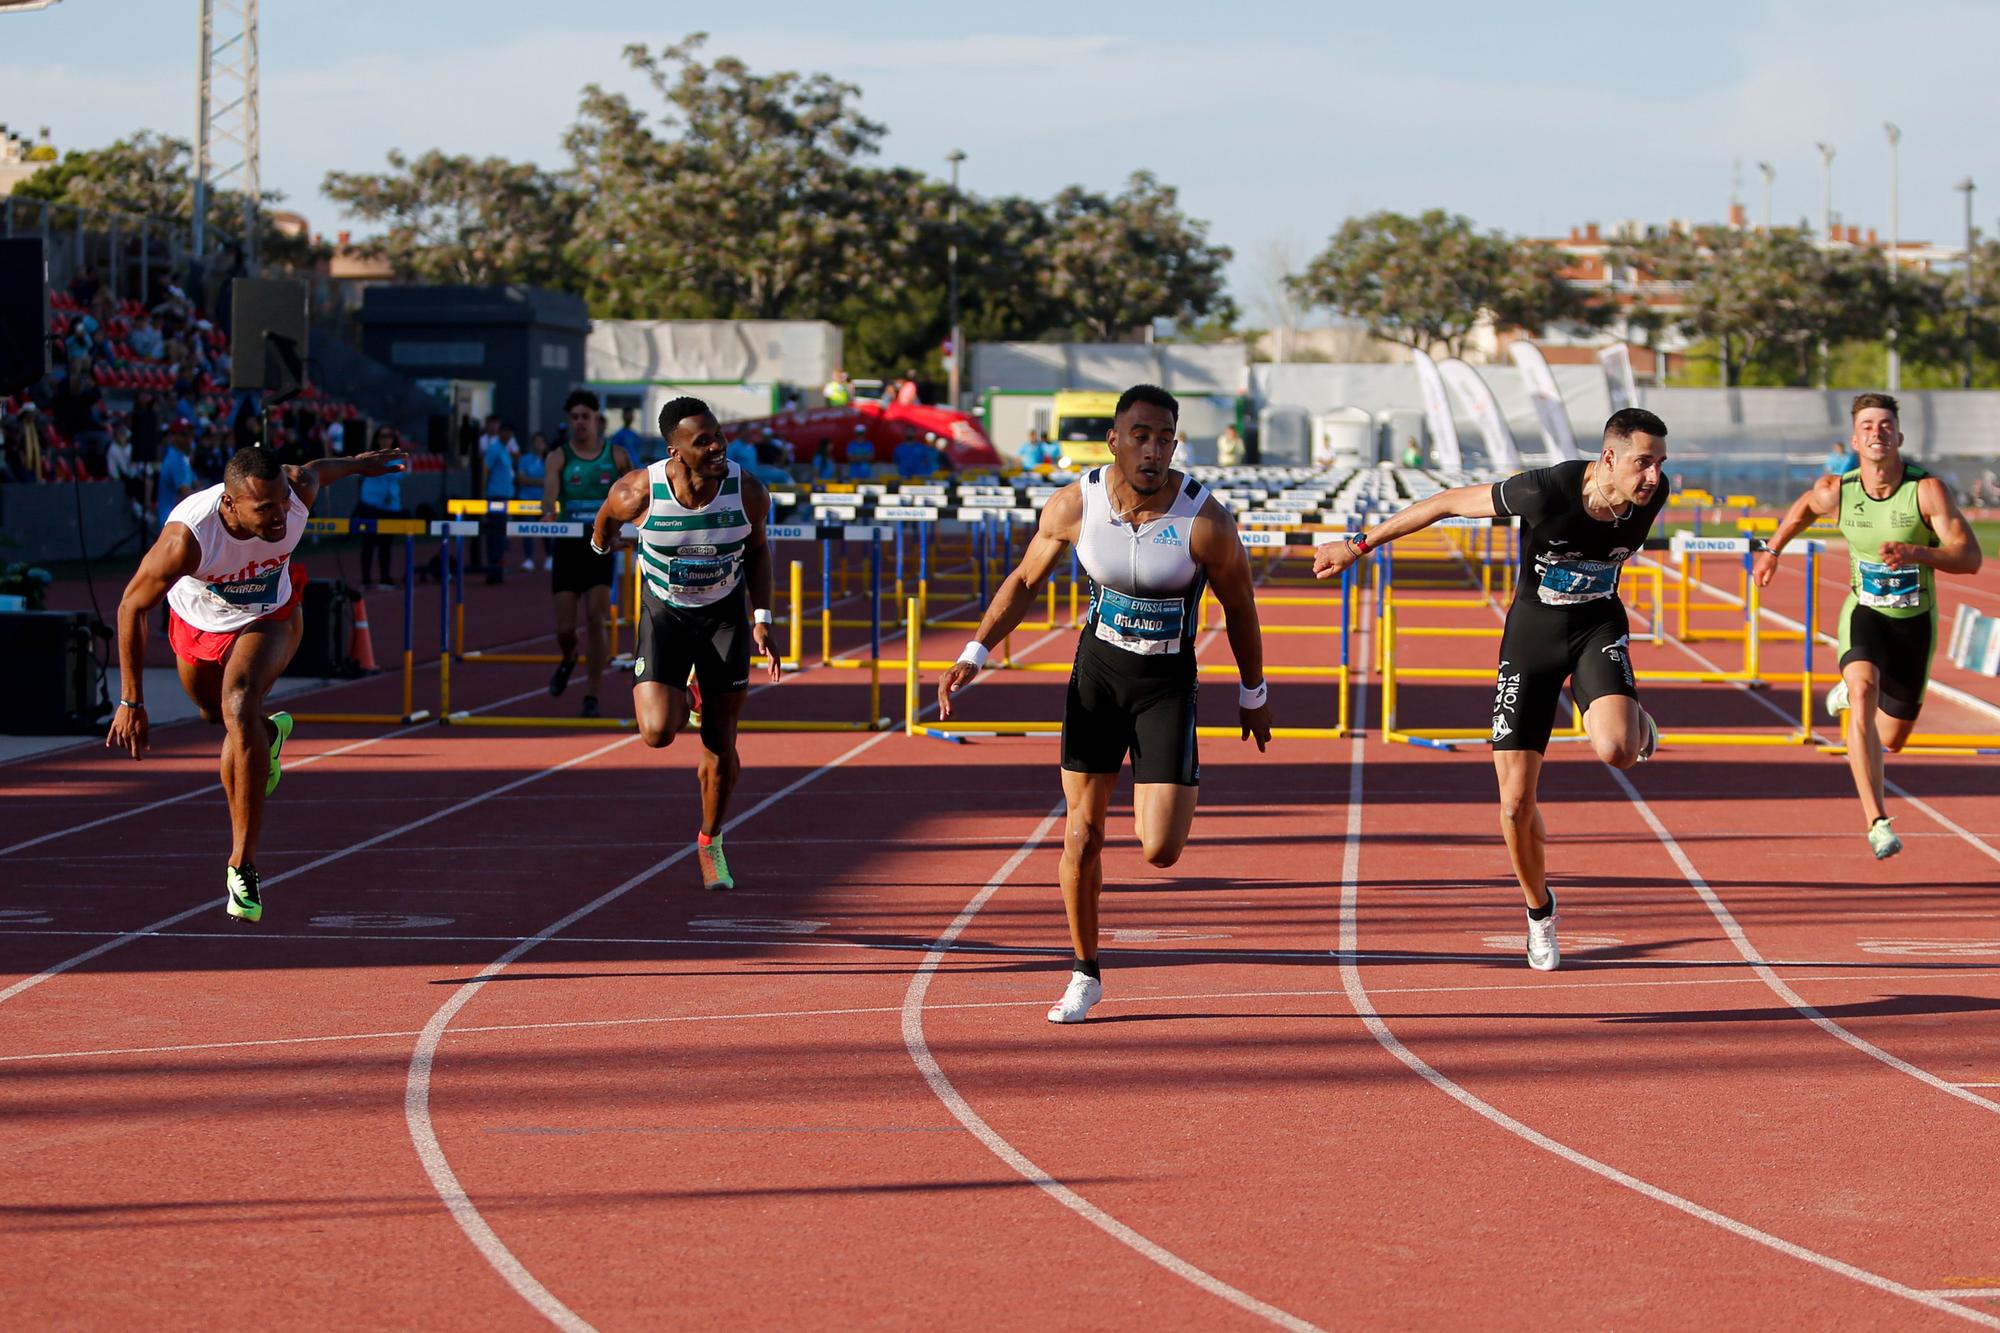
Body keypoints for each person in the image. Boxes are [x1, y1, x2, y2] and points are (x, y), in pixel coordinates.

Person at [937, 384, 1275, 1023]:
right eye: (1141, 436)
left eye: (1165, 439)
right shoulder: (1075, 504)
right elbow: (1024, 580)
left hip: (1167, 685)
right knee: (1082, 832)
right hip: (1098, 676)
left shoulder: (1206, 520)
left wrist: (1253, 693)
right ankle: (1084, 972)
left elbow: (1240, 608)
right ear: (1114, 441)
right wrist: (975, 652)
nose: (1153, 451)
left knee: (1160, 849)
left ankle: (1156, 795)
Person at [1315, 408, 1670, 972]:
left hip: (1598, 627)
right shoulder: (1547, 488)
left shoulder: (1654, 496)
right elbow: (1446, 502)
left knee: (1616, 750)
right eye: (1642, 463)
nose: (1652, 477)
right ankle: (1540, 912)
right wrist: (1359, 546)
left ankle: (1629, 718)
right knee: (1513, 807)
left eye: (1659, 465)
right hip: (1532, 639)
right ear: (1608, 458)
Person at [106, 441, 408, 922]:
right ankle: (269, 734)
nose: (277, 518)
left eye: (281, 503)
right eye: (264, 509)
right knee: (213, 714)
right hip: (199, 625)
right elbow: (130, 606)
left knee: (238, 703)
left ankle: (241, 866)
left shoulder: (296, 494)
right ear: (231, 504)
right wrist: (131, 701)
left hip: (271, 617)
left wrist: (357, 466)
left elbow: (317, 468)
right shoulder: (189, 539)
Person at [1755, 393, 1983, 859]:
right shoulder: (1839, 490)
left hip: (1914, 624)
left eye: (1885, 425)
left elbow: (1970, 558)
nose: (1876, 432)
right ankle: (1877, 820)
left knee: (1893, 740)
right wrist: (1773, 550)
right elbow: (1803, 508)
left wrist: (1918, 552)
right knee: (1862, 693)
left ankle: (1854, 694)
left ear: (1897, 437)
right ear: (1855, 440)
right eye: (1867, 425)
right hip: (1865, 614)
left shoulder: (1927, 491)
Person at [590, 397, 783, 891]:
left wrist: (762, 618)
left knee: (721, 742)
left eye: (718, 434)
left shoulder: (747, 491)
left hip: (724, 617)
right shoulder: (639, 490)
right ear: (674, 451)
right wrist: (601, 543)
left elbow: (759, 552)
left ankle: (710, 842)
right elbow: (606, 521)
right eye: (703, 441)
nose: (718, 445)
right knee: (657, 733)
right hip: (666, 613)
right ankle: (687, 693)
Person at [543, 389, 635, 718]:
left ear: (597, 419)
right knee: (565, 629)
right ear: (569, 422)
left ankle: (591, 694)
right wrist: (549, 516)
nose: (580, 422)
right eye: (575, 417)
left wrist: (628, 532)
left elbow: (636, 497)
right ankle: (568, 657)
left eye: (586, 416)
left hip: (601, 547)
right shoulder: (558, 458)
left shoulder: (618, 456)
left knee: (596, 618)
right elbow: (549, 504)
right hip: (568, 548)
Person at [353, 424, 407, 590]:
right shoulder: (370, 456)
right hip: (370, 504)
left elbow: (402, 474)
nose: (386, 439)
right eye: (383, 436)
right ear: (377, 438)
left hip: (390, 507)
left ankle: (385, 577)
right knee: (368, 542)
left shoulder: (399, 457)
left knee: (386, 544)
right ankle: (366, 579)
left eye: (389, 435)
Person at [479, 424, 516, 582]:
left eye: (510, 432)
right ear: (501, 432)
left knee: (501, 534)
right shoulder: (494, 449)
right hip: (495, 497)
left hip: (505, 496)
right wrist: (482, 493)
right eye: (506, 431)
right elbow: (485, 469)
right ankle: (493, 570)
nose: (508, 435)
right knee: (495, 534)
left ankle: (497, 569)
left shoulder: (505, 450)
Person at [515, 431, 552, 572]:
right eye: (536, 441)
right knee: (527, 529)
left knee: (547, 530)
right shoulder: (525, 459)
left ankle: (550, 557)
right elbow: (521, 479)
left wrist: (532, 481)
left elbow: (550, 481)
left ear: (545, 444)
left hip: (545, 501)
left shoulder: (550, 460)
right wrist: (539, 482)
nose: (538, 444)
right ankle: (528, 559)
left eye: (541, 441)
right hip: (526, 500)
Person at [155, 420, 198, 531]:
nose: (189, 439)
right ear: (173, 437)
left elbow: (196, 484)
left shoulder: (182, 458)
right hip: (172, 524)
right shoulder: (175, 460)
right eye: (184, 434)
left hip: (179, 523)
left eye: (190, 434)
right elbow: (187, 494)